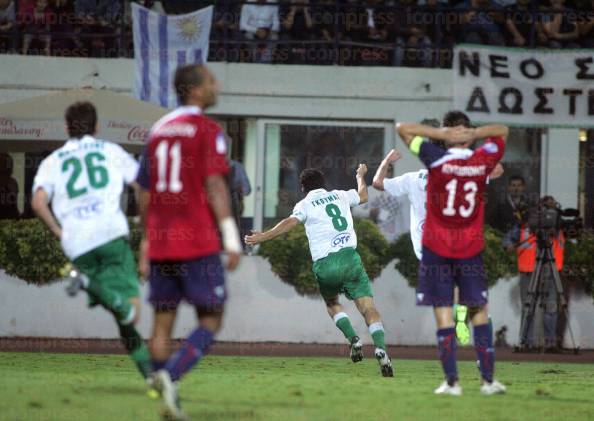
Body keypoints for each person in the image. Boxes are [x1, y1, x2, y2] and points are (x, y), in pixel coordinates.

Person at [137, 64, 242, 420]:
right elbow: (215, 186)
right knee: (212, 317)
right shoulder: (207, 129)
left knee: (162, 320)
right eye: (212, 81)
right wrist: (230, 237)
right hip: (196, 240)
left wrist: (147, 240)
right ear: (195, 90)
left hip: (163, 241)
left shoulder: (158, 130)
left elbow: (144, 190)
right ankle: (170, 376)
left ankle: (160, 383)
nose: (218, 86)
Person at [31, 101, 152, 384]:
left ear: (66, 128)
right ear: (97, 126)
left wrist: (59, 233)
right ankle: (86, 284)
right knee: (131, 312)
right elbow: (142, 186)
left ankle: (150, 378)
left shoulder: (52, 161)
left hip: (77, 243)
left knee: (122, 313)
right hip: (110, 234)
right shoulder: (110, 151)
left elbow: (38, 203)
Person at [396, 111, 509, 396]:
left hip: (436, 249)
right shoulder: (482, 160)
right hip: (470, 249)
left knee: (443, 313)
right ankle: (488, 381)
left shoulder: (435, 158)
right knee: (479, 311)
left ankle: (452, 383)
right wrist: (474, 134)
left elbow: (403, 127)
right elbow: (503, 130)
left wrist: (443, 135)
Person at [245, 165, 394, 378]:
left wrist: (264, 236)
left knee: (332, 304)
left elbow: (290, 222)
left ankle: (353, 339)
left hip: (326, 263)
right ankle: (380, 348)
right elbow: (363, 195)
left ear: (303, 187)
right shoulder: (340, 195)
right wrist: (360, 176)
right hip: (350, 257)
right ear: (324, 184)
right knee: (368, 307)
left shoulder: (304, 204)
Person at [503, 196, 565, 352]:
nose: (547, 213)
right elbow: (507, 241)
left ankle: (551, 344)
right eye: (544, 207)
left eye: (550, 208)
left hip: (550, 271)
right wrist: (509, 245)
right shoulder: (524, 225)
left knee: (551, 307)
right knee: (528, 307)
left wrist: (555, 227)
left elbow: (569, 236)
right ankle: (526, 343)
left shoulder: (558, 225)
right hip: (528, 271)